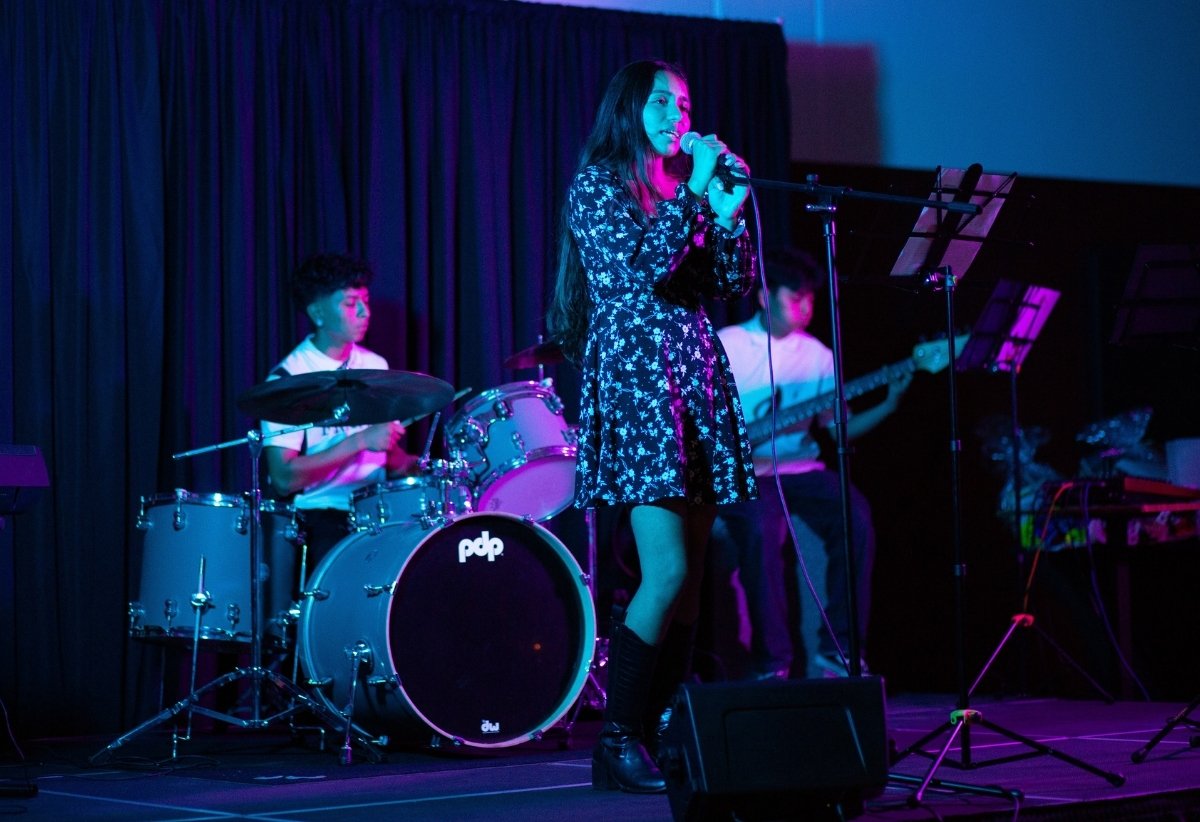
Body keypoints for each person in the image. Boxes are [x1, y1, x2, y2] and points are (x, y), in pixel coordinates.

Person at [547, 59, 758, 794]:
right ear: (629, 109)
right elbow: (638, 276)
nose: (677, 114)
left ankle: (670, 728)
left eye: (687, 103)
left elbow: (729, 285)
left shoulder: (682, 194)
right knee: (663, 571)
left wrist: (726, 209)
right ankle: (618, 738)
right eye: (662, 102)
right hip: (640, 384)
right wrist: (696, 194)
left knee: (692, 579)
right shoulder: (599, 186)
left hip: (693, 380)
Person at [710, 248, 910, 681]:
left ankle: (838, 651)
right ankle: (773, 661)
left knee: (855, 521)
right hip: (751, 474)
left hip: (802, 470)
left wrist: (890, 403)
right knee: (761, 536)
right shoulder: (727, 344)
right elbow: (700, 417)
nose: (806, 307)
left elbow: (838, 431)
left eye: (810, 299)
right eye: (795, 297)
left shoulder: (818, 354)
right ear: (765, 297)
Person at [262, 253, 418, 577]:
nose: (364, 312)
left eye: (365, 300)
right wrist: (360, 440)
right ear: (318, 312)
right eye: (350, 303)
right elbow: (284, 477)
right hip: (320, 518)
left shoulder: (376, 366)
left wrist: (426, 468)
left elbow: (388, 458)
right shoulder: (289, 378)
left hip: (376, 511)